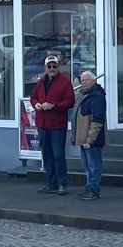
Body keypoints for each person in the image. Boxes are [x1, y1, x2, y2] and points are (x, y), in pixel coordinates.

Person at [29, 54, 75, 195]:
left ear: (58, 67)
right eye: (49, 66)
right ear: (45, 68)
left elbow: (70, 101)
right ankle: (51, 183)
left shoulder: (65, 82)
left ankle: (62, 184)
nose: (52, 68)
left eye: (54, 66)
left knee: (58, 155)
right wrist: (36, 104)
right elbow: (33, 97)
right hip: (42, 124)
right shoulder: (40, 82)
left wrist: (54, 105)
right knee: (47, 154)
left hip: (57, 125)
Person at [73, 70, 106, 200]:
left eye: (86, 80)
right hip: (83, 138)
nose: (84, 82)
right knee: (87, 166)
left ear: (94, 80)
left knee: (94, 166)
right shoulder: (84, 95)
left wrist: (91, 138)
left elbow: (98, 119)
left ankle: (93, 190)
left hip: (92, 139)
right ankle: (89, 188)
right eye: (82, 80)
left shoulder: (97, 96)